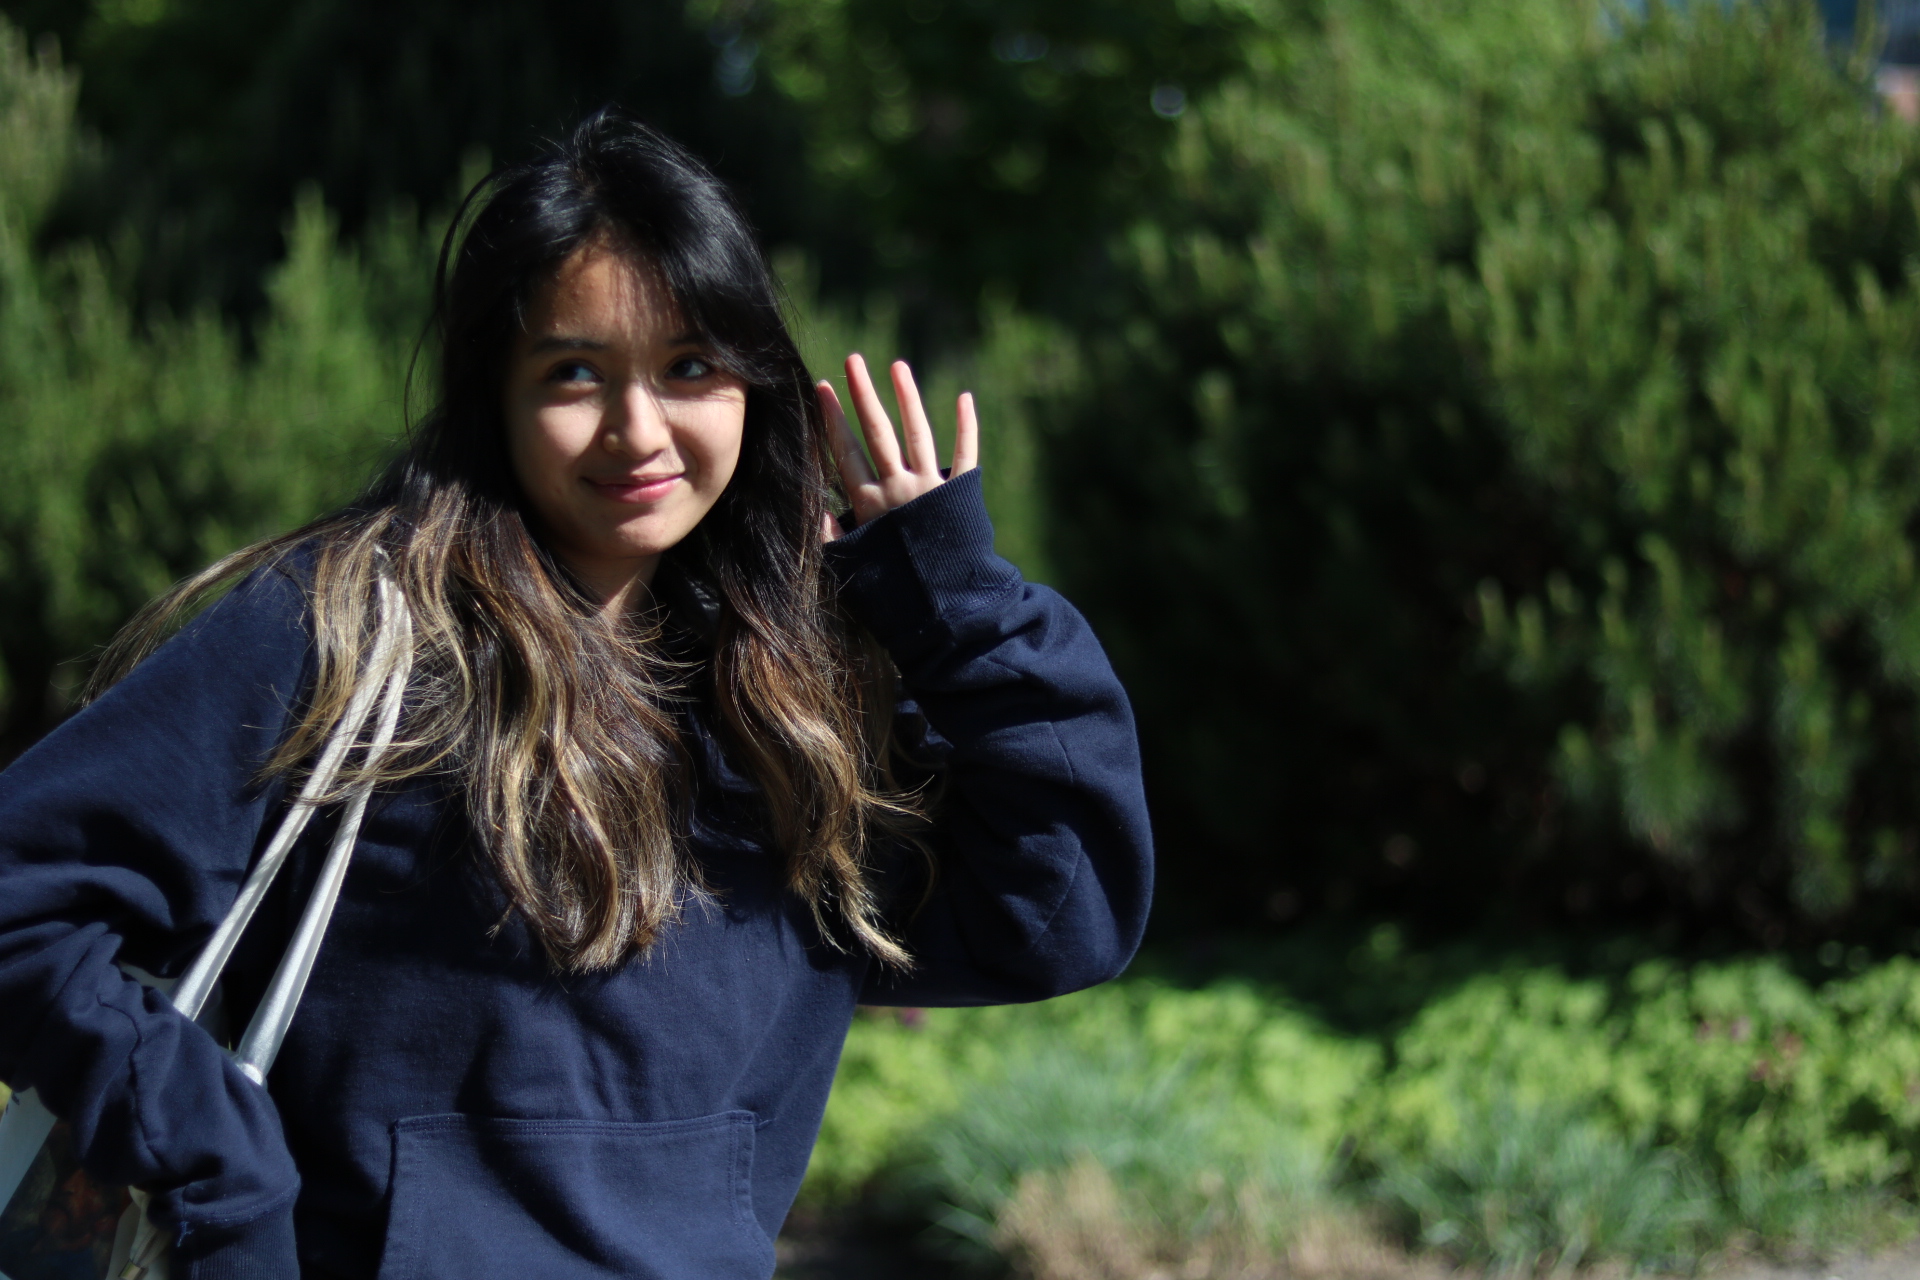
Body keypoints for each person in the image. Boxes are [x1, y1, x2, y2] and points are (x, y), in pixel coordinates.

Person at [0, 111, 1152, 1279]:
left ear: (754, 386)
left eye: (690, 366)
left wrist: (955, 600)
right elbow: (19, 894)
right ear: (493, 397)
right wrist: (218, 1171)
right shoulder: (350, 629)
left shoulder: (802, 696)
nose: (637, 430)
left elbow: (1058, 917)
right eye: (573, 373)